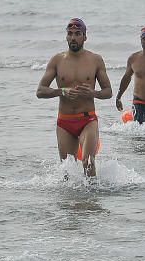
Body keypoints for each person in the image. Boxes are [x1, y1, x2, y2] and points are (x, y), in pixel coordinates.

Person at [36, 18, 113, 177]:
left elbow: (108, 91)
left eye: (77, 34)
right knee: (67, 172)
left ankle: (92, 201)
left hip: (87, 120)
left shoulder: (95, 60)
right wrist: (62, 91)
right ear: (66, 36)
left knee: (88, 163)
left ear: (85, 37)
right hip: (65, 122)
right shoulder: (57, 60)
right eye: (70, 34)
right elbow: (40, 91)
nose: (73, 37)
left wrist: (93, 93)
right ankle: (70, 202)